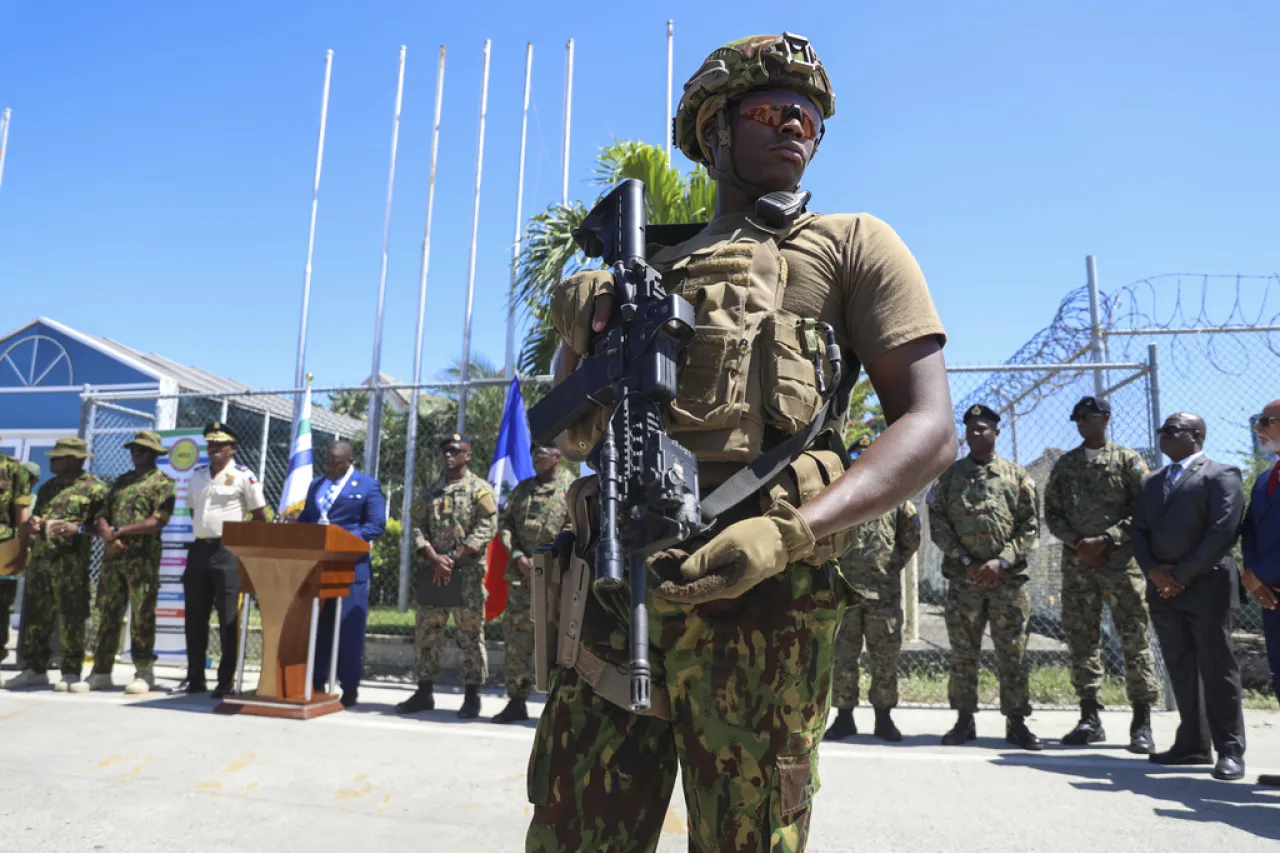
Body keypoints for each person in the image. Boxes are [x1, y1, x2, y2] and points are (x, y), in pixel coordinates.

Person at [527, 32, 955, 852]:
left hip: (768, 600)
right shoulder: (643, 265)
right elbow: (574, 430)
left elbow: (928, 424)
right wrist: (582, 327)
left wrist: (790, 530)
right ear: (714, 129)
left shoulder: (854, 243)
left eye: (810, 118)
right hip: (618, 589)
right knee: (574, 832)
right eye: (769, 109)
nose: (794, 125)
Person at [1130, 412, 1246, 781]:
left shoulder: (1221, 475)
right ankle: (1193, 743)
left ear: (1196, 435)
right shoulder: (1152, 482)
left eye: (1173, 430)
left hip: (1205, 586)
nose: (1163, 434)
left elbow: (1222, 532)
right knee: (1180, 667)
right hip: (1164, 590)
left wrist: (1178, 575)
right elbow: (1139, 531)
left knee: (1217, 667)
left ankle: (1230, 749)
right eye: (1162, 429)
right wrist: (1154, 571)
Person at [1043, 396, 1158, 753]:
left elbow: (1145, 509)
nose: (1081, 423)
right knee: (1082, 641)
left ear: (1106, 419)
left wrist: (1106, 539)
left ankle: (1142, 723)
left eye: (1088, 417)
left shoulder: (1128, 461)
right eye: (1076, 417)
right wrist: (1079, 542)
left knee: (1134, 641)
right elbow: (1053, 512)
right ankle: (1090, 718)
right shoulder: (1067, 464)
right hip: (1079, 567)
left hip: (1121, 566)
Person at [929, 404, 1043, 751]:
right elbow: (939, 525)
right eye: (971, 429)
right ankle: (965, 720)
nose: (976, 434)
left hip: (1007, 583)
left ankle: (1017, 722)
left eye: (983, 428)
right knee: (964, 654)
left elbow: (1030, 526)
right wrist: (967, 561)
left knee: (1013, 653)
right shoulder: (950, 478)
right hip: (965, 582)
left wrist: (1002, 562)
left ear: (996, 431)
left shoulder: (1017, 476)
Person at [824, 434, 921, 742]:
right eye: (856, 459)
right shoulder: (838, 497)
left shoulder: (894, 497)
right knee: (842, 657)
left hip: (883, 595)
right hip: (845, 592)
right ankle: (844, 717)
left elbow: (910, 538)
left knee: (885, 657)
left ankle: (884, 717)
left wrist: (890, 568)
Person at [397, 434, 498, 718]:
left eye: (455, 450)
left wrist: (454, 557)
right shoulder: (431, 492)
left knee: (469, 635)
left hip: (466, 575)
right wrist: (432, 555)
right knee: (428, 634)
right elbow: (417, 526)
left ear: (468, 455)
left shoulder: (480, 489)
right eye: (444, 451)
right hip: (434, 574)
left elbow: (487, 526)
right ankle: (424, 692)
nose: (448, 455)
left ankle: (472, 696)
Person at [2, 440, 107, 692]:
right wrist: (34, 525)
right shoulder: (49, 488)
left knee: (72, 617)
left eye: (56, 458)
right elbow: (32, 523)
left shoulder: (96, 489)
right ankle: (34, 670)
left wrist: (78, 528)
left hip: (72, 566)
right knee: (37, 617)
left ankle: (70, 672)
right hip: (41, 563)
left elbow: (103, 529)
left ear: (72, 459)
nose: (51, 462)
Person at [80, 430, 177, 694]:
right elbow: (102, 515)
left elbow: (158, 521)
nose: (137, 454)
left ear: (155, 454)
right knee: (108, 614)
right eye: (134, 449)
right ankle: (100, 671)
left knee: (142, 615)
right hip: (113, 560)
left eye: (143, 450)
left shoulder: (163, 483)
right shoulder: (121, 482)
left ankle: (144, 672)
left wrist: (120, 531)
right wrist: (108, 535)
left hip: (142, 561)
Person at [297, 440, 385, 709]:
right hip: (317, 568)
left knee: (348, 631)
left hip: (351, 569)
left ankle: (349, 687)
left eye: (336, 461)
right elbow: (307, 519)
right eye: (327, 460)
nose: (330, 465)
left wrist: (342, 540)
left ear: (349, 461)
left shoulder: (368, 486)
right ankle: (316, 682)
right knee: (318, 628)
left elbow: (375, 525)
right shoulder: (316, 485)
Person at [182, 422, 267, 697]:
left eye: (220, 445)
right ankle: (195, 677)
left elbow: (259, 516)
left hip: (228, 551)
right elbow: (194, 507)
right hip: (199, 550)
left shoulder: (244, 476)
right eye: (211, 445)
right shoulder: (197, 476)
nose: (214, 449)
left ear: (232, 449)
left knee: (229, 617)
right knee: (195, 616)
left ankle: (225, 680)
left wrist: (246, 547)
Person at [492, 442, 570, 724]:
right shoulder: (522, 489)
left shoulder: (571, 489)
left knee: (560, 643)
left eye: (541, 454)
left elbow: (577, 530)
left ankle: (560, 705)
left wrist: (551, 563)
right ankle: (516, 701)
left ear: (557, 457)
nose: (535, 459)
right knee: (517, 640)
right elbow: (506, 523)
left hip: (558, 581)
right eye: (533, 454)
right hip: (521, 579)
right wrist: (518, 557)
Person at [1242, 400, 1280, 788]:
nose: (1260, 430)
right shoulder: (1264, 478)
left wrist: (1260, 573)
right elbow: (1251, 530)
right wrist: (1253, 577)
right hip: (1272, 595)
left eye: (1267, 422)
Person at [0, 446, 34, 688]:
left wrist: (24, 552)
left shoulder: (14, 470)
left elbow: (22, 516)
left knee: (1, 609)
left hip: (3, 549)